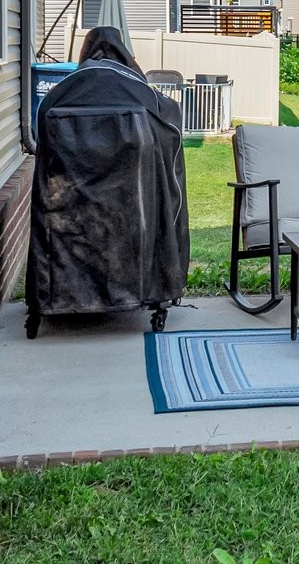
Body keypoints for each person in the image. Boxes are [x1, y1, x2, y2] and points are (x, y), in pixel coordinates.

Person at [25, 28, 189, 337]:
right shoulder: (145, 95)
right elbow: (171, 128)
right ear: (125, 55)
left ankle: (53, 300)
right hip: (130, 212)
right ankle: (146, 293)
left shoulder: (60, 93)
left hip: (67, 214)